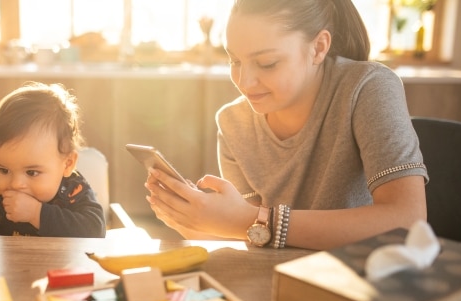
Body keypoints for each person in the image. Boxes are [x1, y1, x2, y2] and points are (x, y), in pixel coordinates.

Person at [145, 0, 428, 250]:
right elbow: (257, 237)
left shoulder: (368, 87)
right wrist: (201, 224)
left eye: (267, 63)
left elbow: (406, 222)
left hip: (362, 281)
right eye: (234, 60)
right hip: (280, 282)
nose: (244, 82)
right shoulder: (233, 123)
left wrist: (249, 220)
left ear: (318, 48)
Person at [0, 82, 105, 237]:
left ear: (67, 164)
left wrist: (37, 214)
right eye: (3, 170)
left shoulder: (73, 192)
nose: (15, 184)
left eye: (31, 172)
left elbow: (95, 231)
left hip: (61, 261)